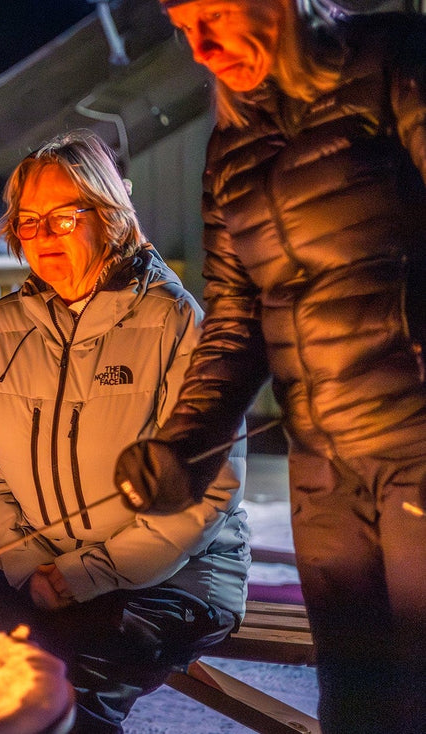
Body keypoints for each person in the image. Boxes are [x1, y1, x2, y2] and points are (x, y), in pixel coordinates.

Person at [113, 1, 426, 731]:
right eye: (185, 28)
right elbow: (234, 320)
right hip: (325, 470)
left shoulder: (393, 61)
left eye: (216, 14)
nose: (203, 46)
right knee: (356, 696)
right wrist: (183, 446)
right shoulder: (233, 144)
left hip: (417, 440)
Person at [0, 129, 249, 734]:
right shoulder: (2, 329)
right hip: (36, 573)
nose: (43, 237)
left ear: (109, 215)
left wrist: (88, 574)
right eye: (29, 222)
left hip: (177, 576)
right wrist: (31, 566)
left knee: (64, 702)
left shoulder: (171, 318)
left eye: (64, 217)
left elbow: (211, 487)